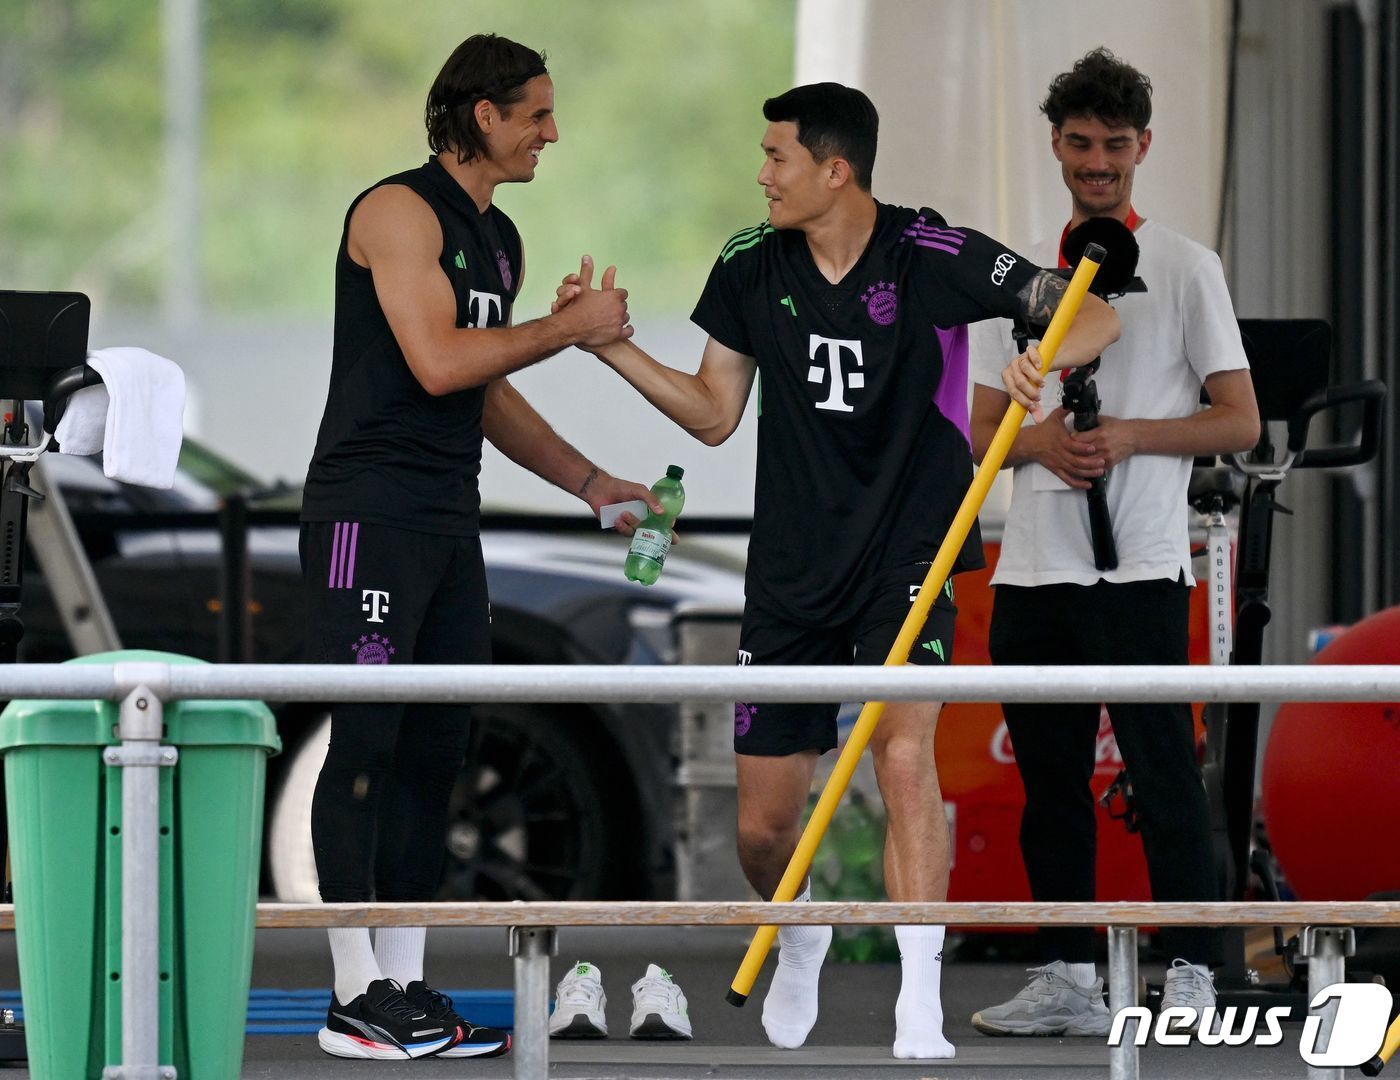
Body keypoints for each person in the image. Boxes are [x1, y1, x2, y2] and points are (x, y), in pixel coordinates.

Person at [552, 81, 1119, 1058]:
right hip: (791, 567)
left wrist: (1044, 358)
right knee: (764, 831)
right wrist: (609, 348)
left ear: (833, 168)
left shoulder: (930, 251)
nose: (761, 174)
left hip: (911, 546)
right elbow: (711, 412)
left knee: (904, 755)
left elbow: (1090, 312)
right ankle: (801, 931)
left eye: (775, 157)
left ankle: (915, 999)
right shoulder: (747, 262)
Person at [299, 33, 664, 1061]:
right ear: (481, 114)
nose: (553, 133)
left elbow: (485, 385)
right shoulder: (393, 211)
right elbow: (432, 359)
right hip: (363, 518)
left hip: (445, 522)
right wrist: (570, 328)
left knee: (438, 744)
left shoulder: (495, 238)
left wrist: (592, 484)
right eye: (537, 113)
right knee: (365, 740)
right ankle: (348, 995)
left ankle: (406, 987)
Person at [967, 47, 1261, 1037]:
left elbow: (1238, 422)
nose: (1097, 162)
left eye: (1114, 146)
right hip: (1034, 566)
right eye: (1080, 144)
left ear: (1142, 147)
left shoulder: (1183, 266)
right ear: (1054, 144)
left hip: (1138, 563)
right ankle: (1066, 975)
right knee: (1047, 783)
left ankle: (1191, 975)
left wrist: (1130, 435)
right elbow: (971, 428)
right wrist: (1037, 442)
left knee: (1162, 771)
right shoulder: (1015, 274)